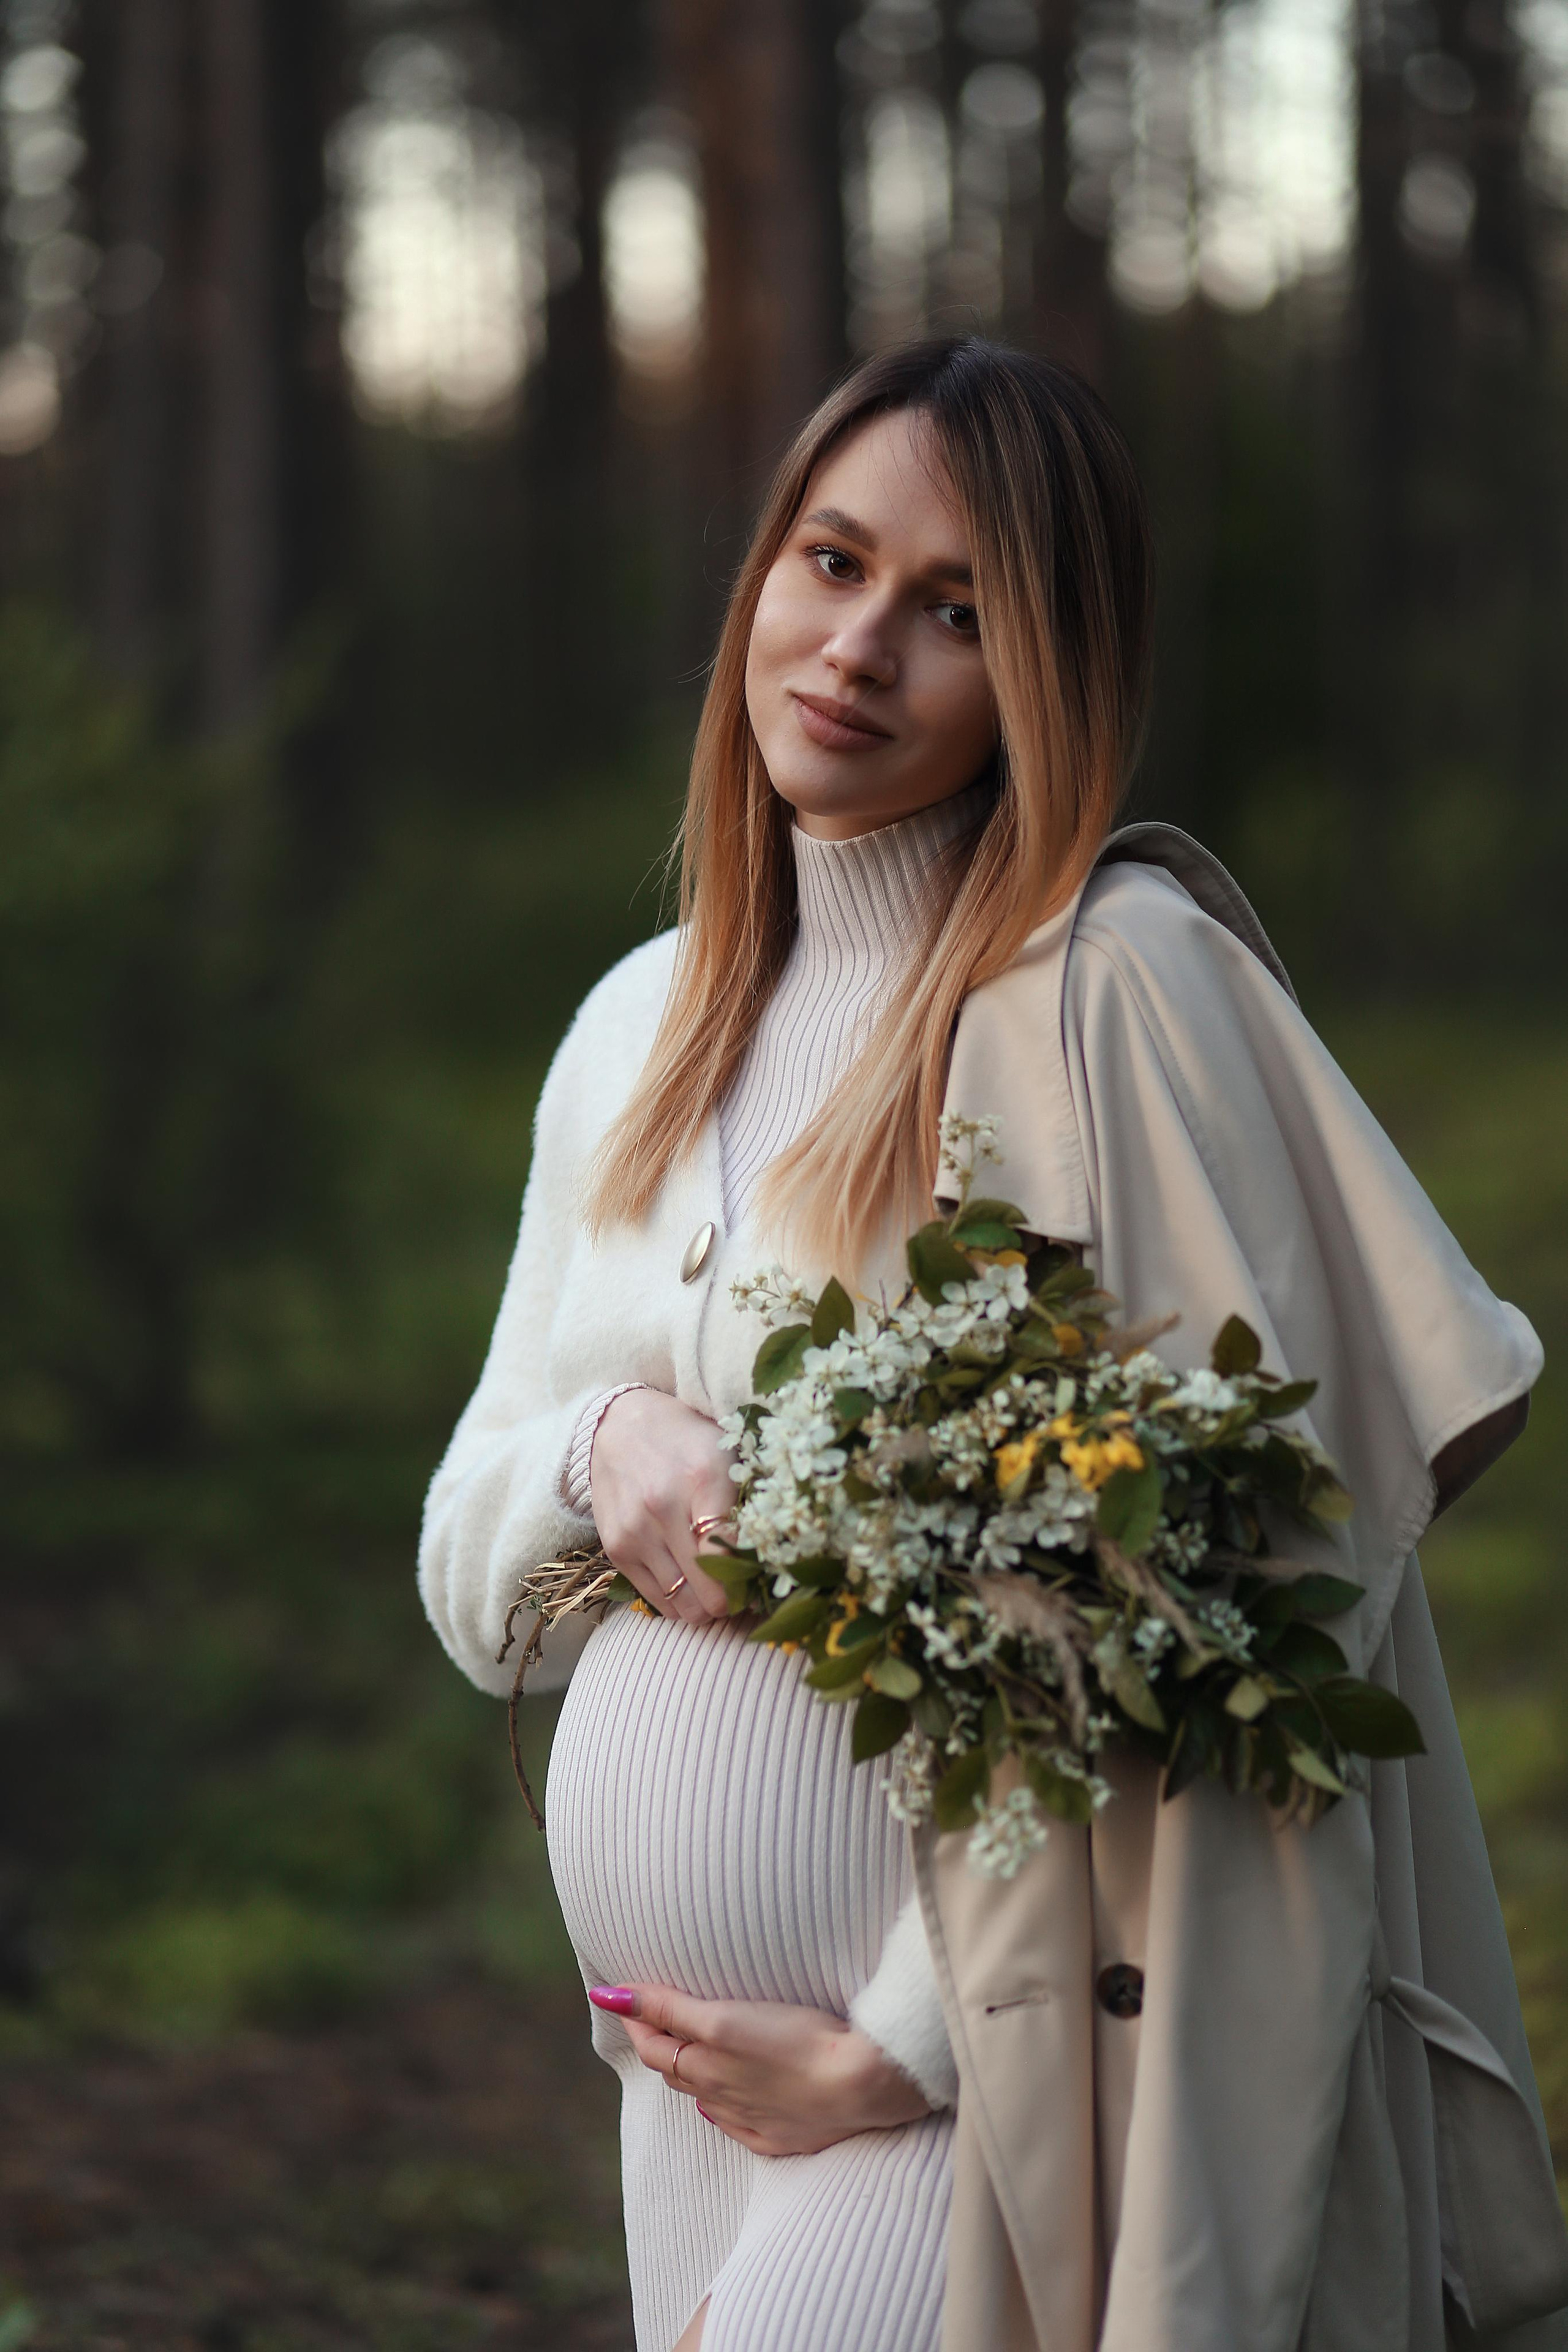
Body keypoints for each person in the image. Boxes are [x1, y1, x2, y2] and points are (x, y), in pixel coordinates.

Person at [419, 337, 1568, 2352]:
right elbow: (471, 1583)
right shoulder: (635, 1023)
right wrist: (600, 1444)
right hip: (682, 2098)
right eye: (833, 561)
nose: (862, 646)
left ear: (1050, 673)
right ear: (761, 570)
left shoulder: (1115, 1000)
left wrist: (913, 2048)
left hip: (980, 2097)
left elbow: (1235, 1602)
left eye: (958, 611)